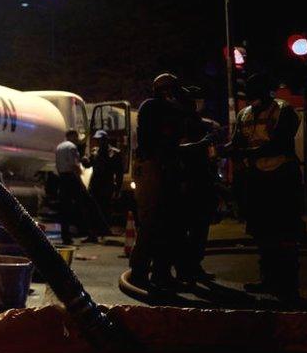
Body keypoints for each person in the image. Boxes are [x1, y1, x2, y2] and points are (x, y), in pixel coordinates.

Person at [226, 73, 303, 301]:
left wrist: (244, 153)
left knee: (284, 232)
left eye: (257, 93)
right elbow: (237, 141)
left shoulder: (284, 110)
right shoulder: (244, 114)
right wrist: (224, 149)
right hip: (258, 179)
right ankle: (268, 280)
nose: (253, 98)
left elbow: (280, 143)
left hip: (282, 178)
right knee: (262, 232)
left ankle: (288, 285)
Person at [129, 73, 187, 290]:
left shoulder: (151, 107)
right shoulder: (158, 108)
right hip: (157, 170)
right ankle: (152, 272)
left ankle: (146, 271)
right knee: (158, 224)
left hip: (156, 169)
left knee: (156, 224)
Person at [177, 86, 219, 282]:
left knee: (199, 228)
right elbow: (179, 150)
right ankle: (187, 268)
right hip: (186, 181)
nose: (197, 104)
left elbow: (210, 156)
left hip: (200, 181)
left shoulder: (200, 123)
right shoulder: (180, 123)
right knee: (190, 228)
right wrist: (205, 142)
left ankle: (191, 267)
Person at [55, 129, 100, 244]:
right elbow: (75, 165)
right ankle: (90, 233)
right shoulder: (72, 147)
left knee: (64, 208)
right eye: (75, 136)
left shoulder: (59, 147)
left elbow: (58, 165)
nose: (77, 139)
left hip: (62, 178)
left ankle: (66, 237)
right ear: (71, 136)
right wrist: (80, 178)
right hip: (72, 178)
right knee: (84, 204)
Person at [84, 130, 123, 230]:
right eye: (98, 140)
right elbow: (88, 165)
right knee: (92, 207)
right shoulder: (95, 151)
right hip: (95, 183)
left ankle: (104, 229)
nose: (98, 142)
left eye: (100, 140)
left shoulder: (115, 153)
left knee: (105, 207)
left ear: (106, 140)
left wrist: (118, 189)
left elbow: (119, 173)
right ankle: (94, 230)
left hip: (107, 184)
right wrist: (84, 160)